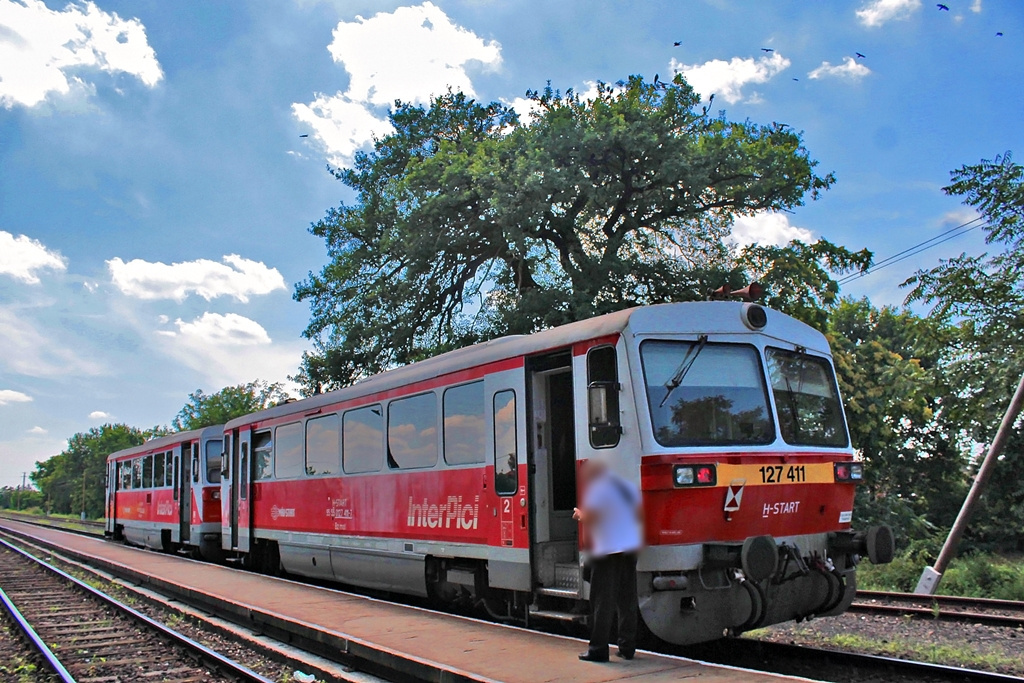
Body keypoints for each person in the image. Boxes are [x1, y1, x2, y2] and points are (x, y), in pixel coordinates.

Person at [573, 458, 643, 662]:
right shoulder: (628, 488)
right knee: (627, 601)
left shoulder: (598, 491)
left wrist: (579, 515)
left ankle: (598, 650)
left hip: (608, 551)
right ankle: (627, 647)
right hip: (629, 548)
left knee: (602, 603)